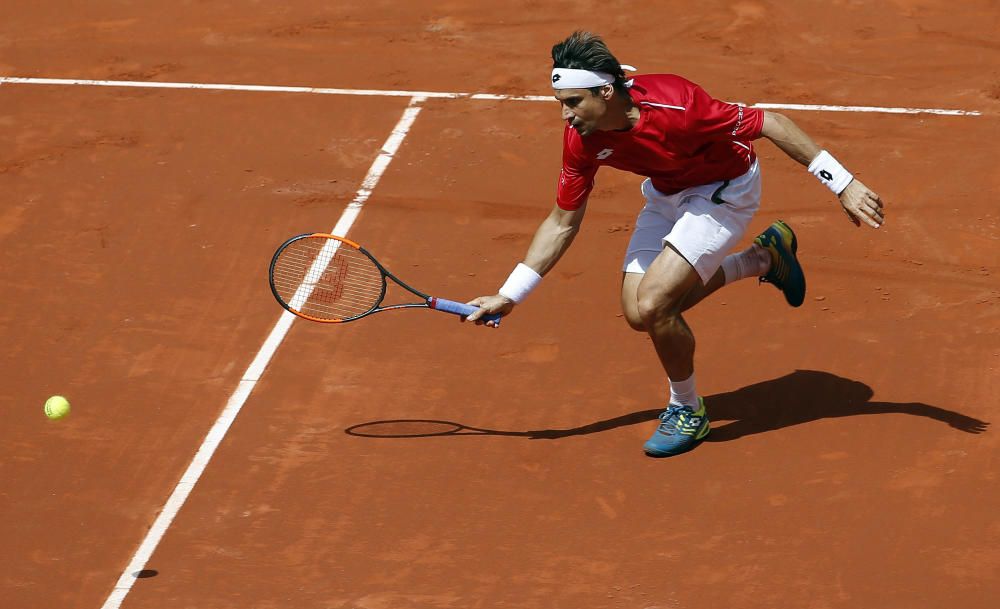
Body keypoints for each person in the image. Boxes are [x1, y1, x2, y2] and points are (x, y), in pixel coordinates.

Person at [466, 31, 885, 457]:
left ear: (606, 92)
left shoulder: (678, 105)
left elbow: (770, 123)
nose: (565, 116)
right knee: (638, 313)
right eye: (561, 103)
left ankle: (688, 410)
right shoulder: (583, 140)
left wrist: (844, 185)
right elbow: (561, 222)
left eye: (573, 102)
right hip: (667, 192)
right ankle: (764, 258)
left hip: (725, 189)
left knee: (654, 304)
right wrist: (509, 294)